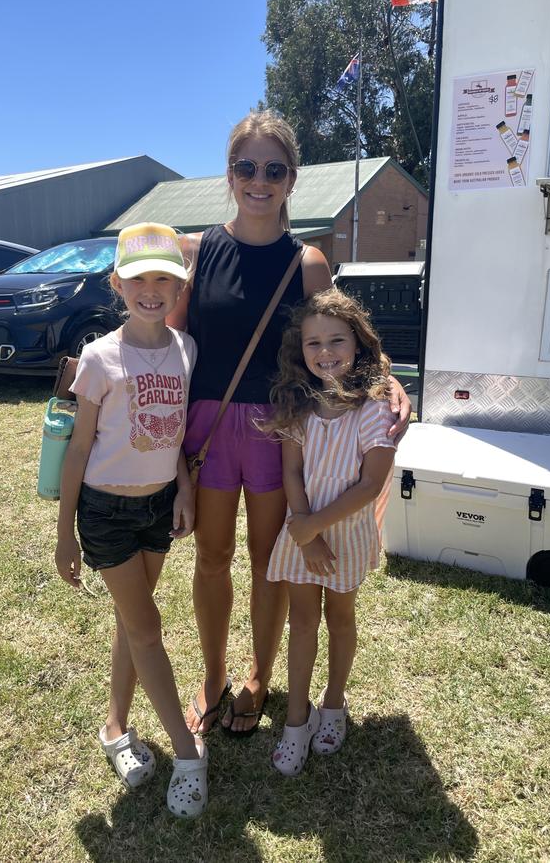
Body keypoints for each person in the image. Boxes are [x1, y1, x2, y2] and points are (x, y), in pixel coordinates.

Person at [168, 110, 411, 737]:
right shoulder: (196, 253)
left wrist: (389, 383)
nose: (259, 180)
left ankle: (259, 677)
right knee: (213, 557)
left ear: (291, 179)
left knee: (270, 559)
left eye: (273, 169)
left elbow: (343, 336)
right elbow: (168, 351)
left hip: (282, 429)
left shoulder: (306, 263)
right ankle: (213, 675)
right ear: (229, 174)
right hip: (211, 428)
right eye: (246, 167)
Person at [54, 222, 208, 818]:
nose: (152, 289)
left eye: (165, 279)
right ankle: (187, 751)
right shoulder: (99, 357)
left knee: (131, 621)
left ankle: (115, 727)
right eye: (140, 278)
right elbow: (78, 446)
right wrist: (65, 531)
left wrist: (184, 489)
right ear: (117, 283)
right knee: (147, 629)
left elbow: (177, 435)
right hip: (107, 512)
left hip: (158, 506)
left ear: (179, 288)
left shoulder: (185, 350)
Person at [267, 289, 396, 776]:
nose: (325, 353)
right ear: (299, 350)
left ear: (358, 344)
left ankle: (334, 703)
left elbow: (370, 484)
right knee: (302, 623)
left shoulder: (373, 407)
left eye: (336, 340)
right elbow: (292, 474)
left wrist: (314, 528)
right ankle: (296, 719)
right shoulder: (298, 406)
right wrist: (305, 534)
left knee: (340, 619)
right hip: (303, 533)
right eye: (312, 343)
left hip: (344, 534)